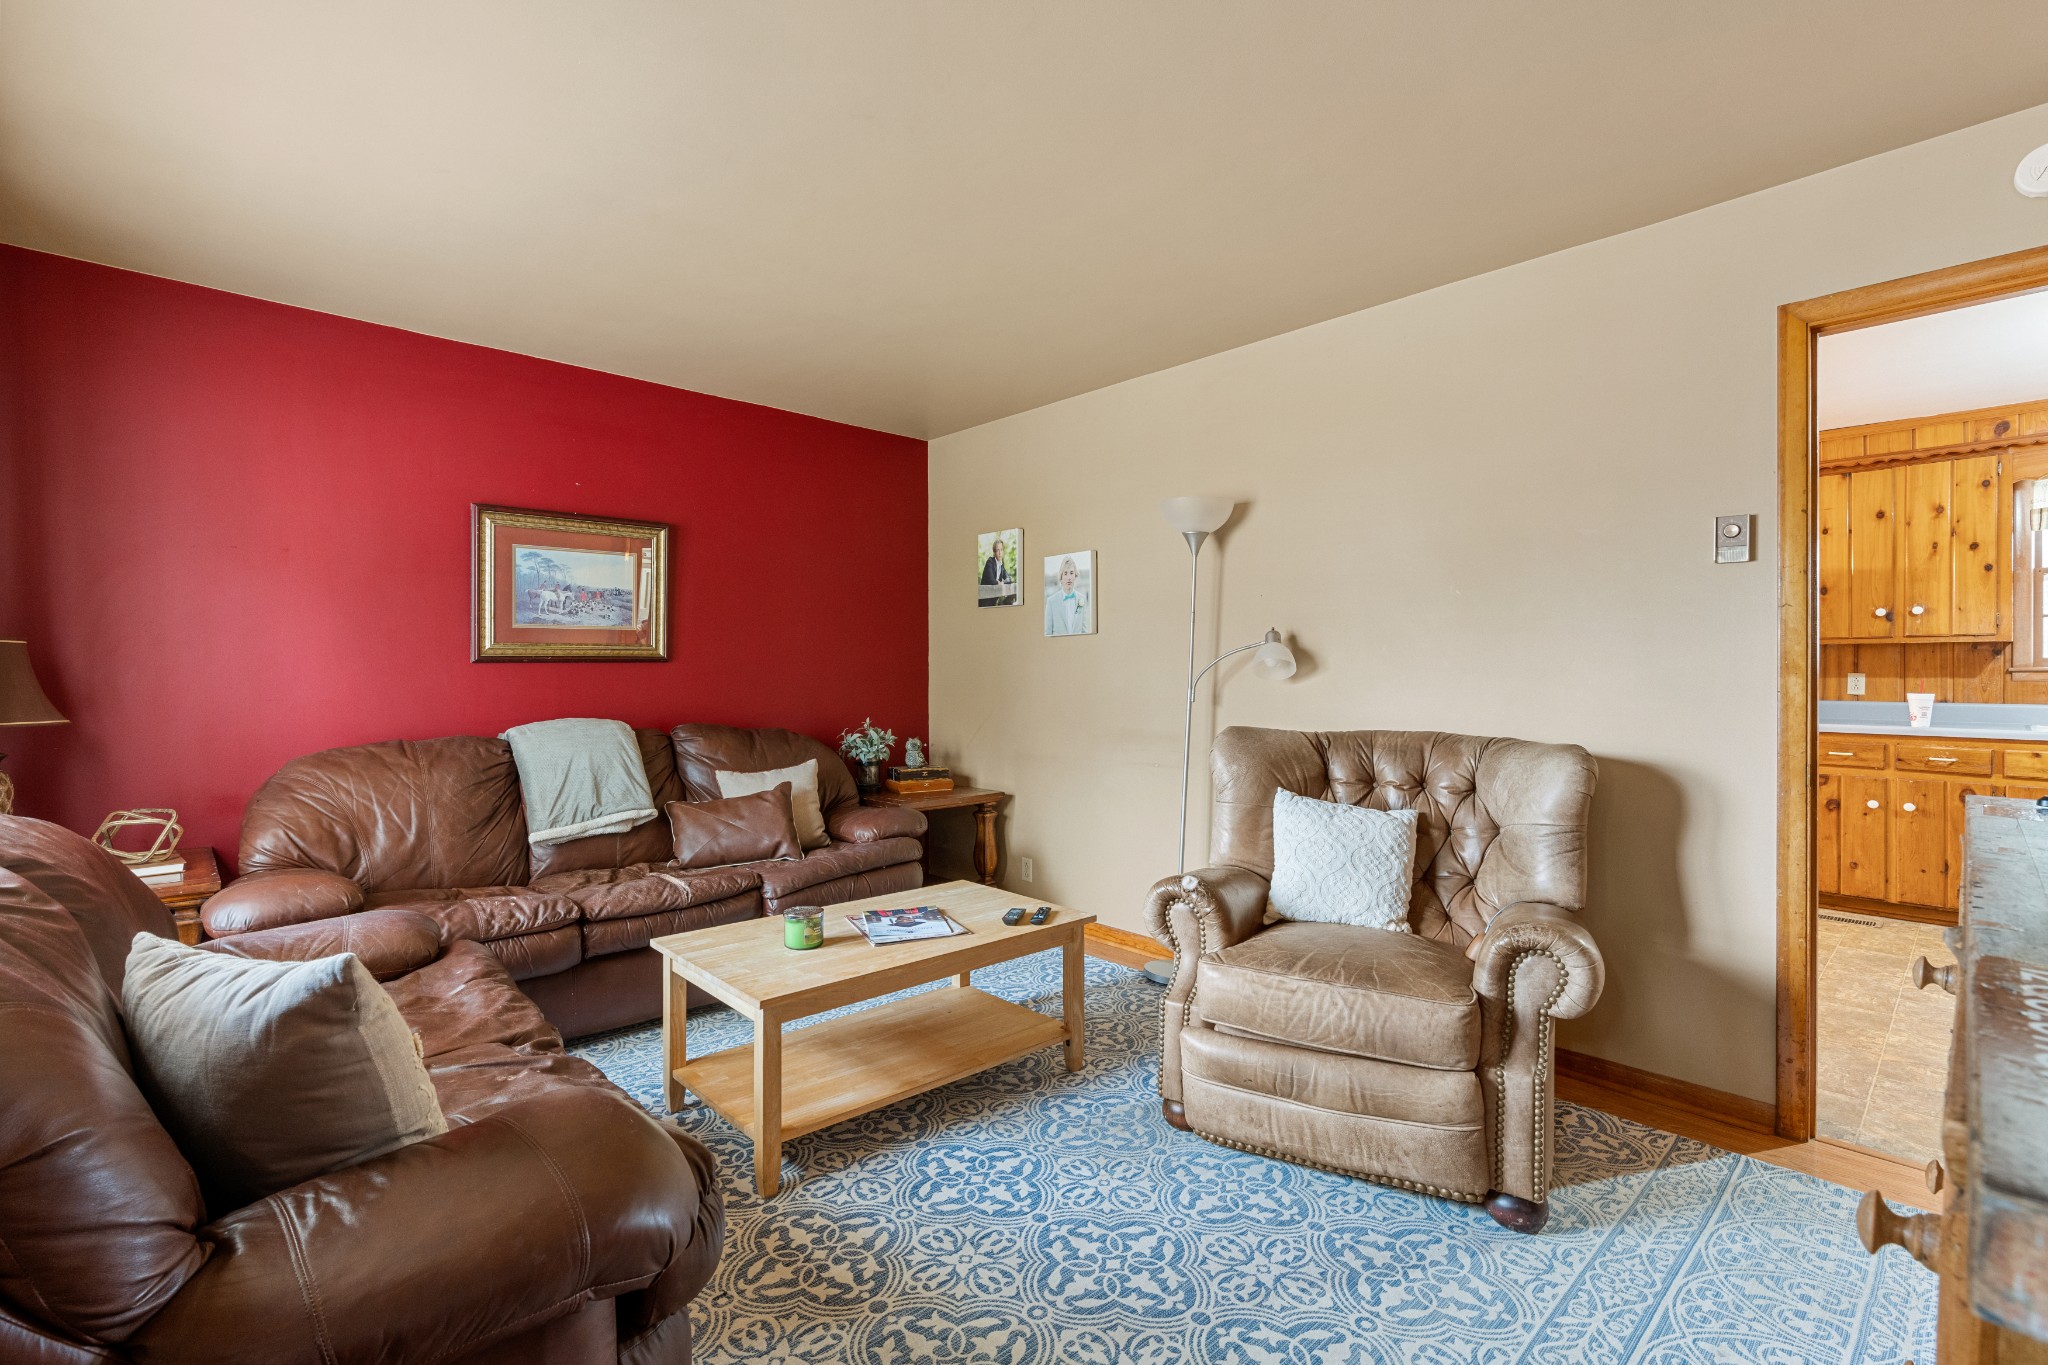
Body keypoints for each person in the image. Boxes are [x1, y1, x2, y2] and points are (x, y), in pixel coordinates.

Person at [1044, 556, 1089, 635]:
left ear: (1075, 576)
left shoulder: (1082, 599)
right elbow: (1048, 634)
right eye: (1065, 573)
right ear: (1061, 578)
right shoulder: (1051, 602)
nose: (1069, 577)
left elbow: (1084, 631)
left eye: (1071, 573)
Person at [979, 536, 1015, 605]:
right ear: (994, 552)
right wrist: (999, 583)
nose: (1000, 553)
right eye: (997, 550)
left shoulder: (1001, 565)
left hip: (993, 600)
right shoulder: (990, 562)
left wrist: (1002, 582)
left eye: (1001, 550)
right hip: (984, 600)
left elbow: (1009, 579)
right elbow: (992, 580)